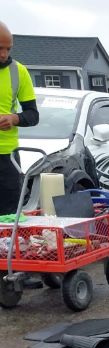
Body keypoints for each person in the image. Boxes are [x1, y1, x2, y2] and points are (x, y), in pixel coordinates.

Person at [0, 21, 39, 214]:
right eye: (0, 48)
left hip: (8, 159)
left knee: (9, 218)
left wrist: (14, 118)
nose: (4, 54)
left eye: (8, 49)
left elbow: (33, 115)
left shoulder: (18, 71)